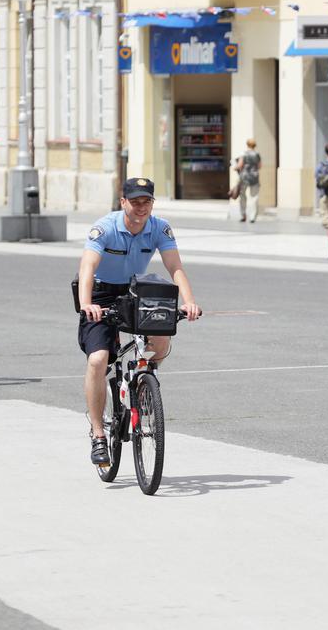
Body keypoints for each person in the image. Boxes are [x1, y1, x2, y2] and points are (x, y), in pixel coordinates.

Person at [77, 177, 202, 465]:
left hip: (135, 291)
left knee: (162, 336)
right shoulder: (105, 228)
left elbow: (175, 266)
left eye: (147, 201)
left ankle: (144, 380)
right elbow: (87, 267)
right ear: (123, 202)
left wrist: (189, 301)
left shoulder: (159, 227)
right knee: (98, 360)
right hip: (101, 293)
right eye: (135, 202)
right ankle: (98, 434)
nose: (141, 207)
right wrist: (87, 304)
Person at [235, 138, 261, 223]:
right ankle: (252, 216)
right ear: (255, 145)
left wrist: (235, 167)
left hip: (244, 176)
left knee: (242, 195)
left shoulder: (243, 154)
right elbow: (259, 166)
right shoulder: (257, 154)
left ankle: (243, 214)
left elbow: (239, 165)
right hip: (254, 177)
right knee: (254, 196)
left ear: (247, 144)